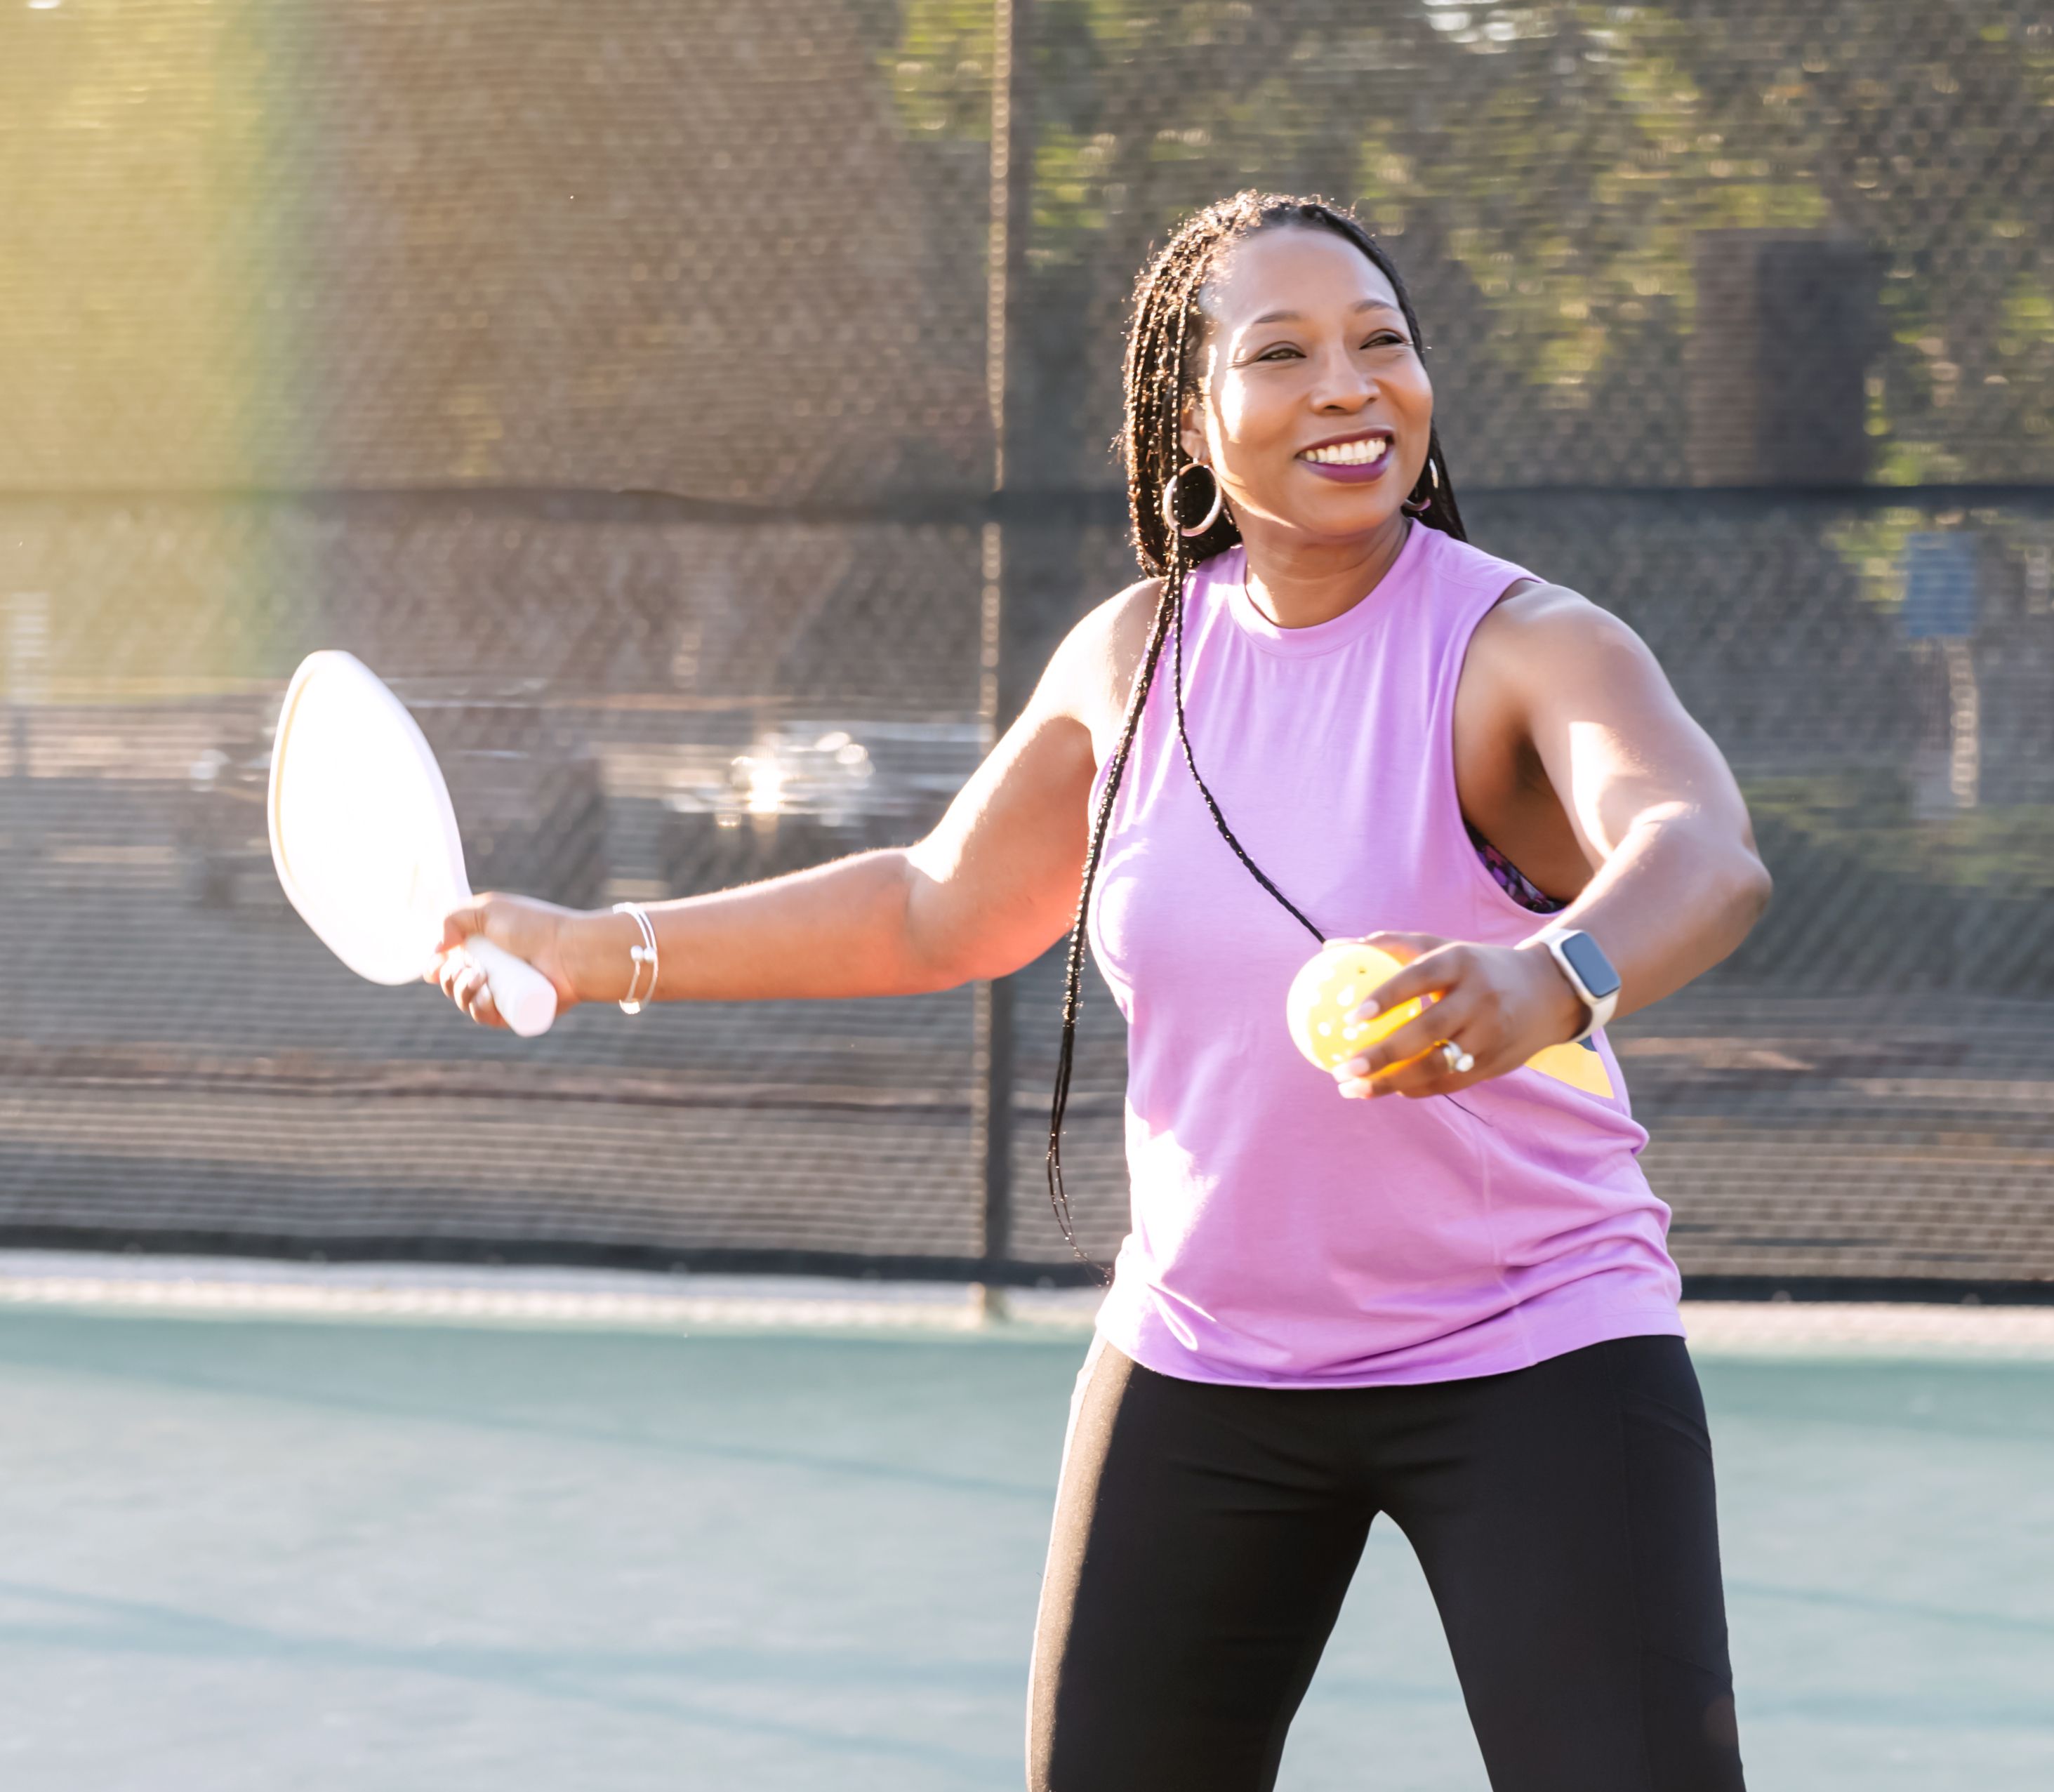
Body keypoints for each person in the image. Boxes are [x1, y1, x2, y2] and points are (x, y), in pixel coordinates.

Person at [432, 191, 1770, 1792]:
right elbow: (937, 910)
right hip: (1206, 1362)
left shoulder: (1528, 646)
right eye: (1282, 353)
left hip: (1533, 1351)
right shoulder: (1132, 657)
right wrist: (600, 948)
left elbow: (1702, 850)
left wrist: (1552, 973)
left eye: (1381, 342)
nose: (1350, 385)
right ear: (1189, 423)